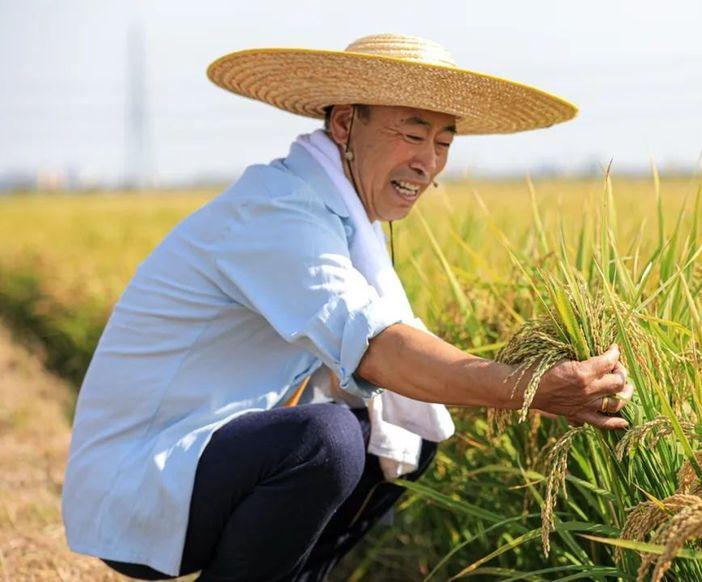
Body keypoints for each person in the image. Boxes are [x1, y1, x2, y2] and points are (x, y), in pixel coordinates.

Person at [61, 33, 634, 581]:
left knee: (403, 432)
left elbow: (383, 365)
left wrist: (530, 388)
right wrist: (529, 388)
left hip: (199, 461)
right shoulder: (280, 214)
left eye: (443, 142)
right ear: (343, 124)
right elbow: (377, 348)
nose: (428, 162)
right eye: (412, 133)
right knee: (328, 441)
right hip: (140, 480)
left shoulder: (338, 217)